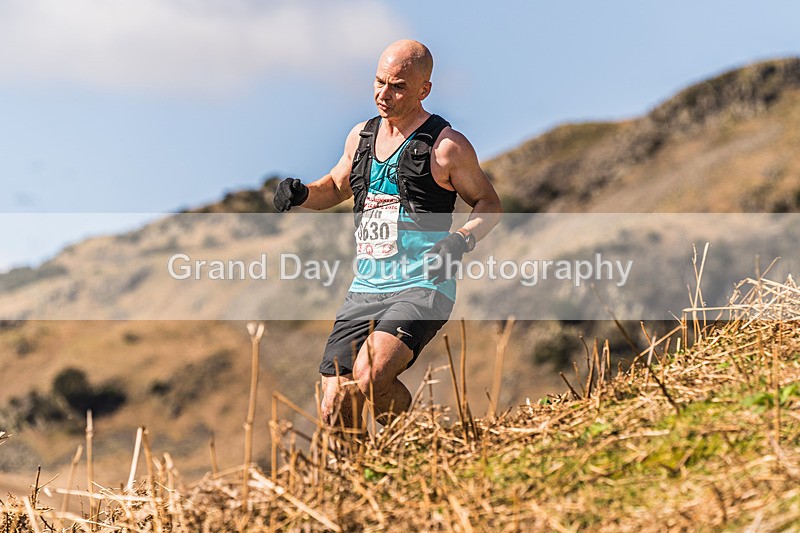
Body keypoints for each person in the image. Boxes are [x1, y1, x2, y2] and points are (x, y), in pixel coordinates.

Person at [273, 40, 501, 430]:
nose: (384, 94)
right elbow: (336, 187)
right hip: (366, 288)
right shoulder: (360, 137)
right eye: (379, 82)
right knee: (334, 406)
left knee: (371, 376)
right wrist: (302, 194)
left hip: (422, 285)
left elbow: (489, 203)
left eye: (397, 86)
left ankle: (413, 440)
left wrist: (460, 240)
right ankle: (361, 467)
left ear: (424, 90)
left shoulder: (446, 147)